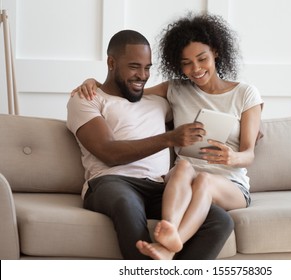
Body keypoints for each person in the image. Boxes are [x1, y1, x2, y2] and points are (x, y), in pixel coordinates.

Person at [73, 13, 264, 260]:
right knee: (183, 167)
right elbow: (128, 92)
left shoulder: (245, 93)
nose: (195, 69)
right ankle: (168, 233)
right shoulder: (175, 90)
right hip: (172, 179)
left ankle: (169, 247)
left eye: (202, 58)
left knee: (217, 213)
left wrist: (233, 156)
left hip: (223, 181)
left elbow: (249, 153)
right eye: (186, 62)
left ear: (216, 52)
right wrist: (93, 83)